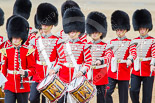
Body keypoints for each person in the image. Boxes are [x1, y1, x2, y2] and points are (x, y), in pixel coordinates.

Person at [29, 3, 65, 103]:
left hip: (50, 74)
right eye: (42, 24)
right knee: (32, 98)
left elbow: (61, 59)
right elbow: (31, 59)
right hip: (37, 75)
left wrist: (54, 69)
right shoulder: (35, 41)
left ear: (51, 25)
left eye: (46, 25)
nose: (44, 27)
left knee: (47, 100)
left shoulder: (57, 40)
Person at [57, 8, 92, 103]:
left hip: (77, 77)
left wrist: (81, 72)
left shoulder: (84, 46)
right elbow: (59, 61)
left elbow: (88, 62)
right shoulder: (62, 45)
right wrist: (55, 70)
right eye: (70, 31)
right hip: (63, 78)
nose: (71, 33)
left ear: (79, 32)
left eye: (74, 31)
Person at [1, 15, 35, 103]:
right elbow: (4, 70)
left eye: (17, 38)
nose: (15, 40)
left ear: (22, 38)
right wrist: (3, 85)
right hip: (9, 85)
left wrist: (25, 72)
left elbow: (33, 69)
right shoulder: (6, 51)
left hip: (23, 86)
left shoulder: (28, 51)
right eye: (14, 38)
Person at [106, 10, 137, 103]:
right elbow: (108, 53)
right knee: (106, 92)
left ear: (125, 30)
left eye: (121, 30)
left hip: (124, 73)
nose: (119, 32)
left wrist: (130, 59)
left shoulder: (130, 42)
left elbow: (133, 53)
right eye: (117, 30)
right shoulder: (111, 42)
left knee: (123, 99)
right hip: (112, 73)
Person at [86, 11, 113, 103]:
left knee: (101, 99)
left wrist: (100, 60)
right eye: (92, 31)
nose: (94, 34)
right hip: (89, 74)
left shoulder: (106, 45)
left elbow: (108, 57)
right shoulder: (86, 45)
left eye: (96, 32)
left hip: (101, 75)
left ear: (101, 33)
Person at [130, 9, 155, 103]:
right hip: (136, 70)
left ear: (147, 28)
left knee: (147, 95)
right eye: (140, 28)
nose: (142, 30)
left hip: (148, 70)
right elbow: (132, 53)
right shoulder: (134, 40)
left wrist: (153, 64)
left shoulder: (153, 40)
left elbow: (154, 54)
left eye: (144, 28)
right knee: (133, 91)